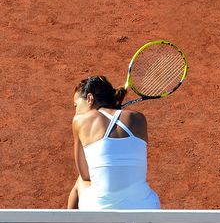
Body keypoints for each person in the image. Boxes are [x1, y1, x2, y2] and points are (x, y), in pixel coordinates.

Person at [67, 75, 160, 210]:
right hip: (147, 207)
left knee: (80, 181)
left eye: (76, 105)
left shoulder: (80, 121)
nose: (75, 111)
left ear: (89, 99)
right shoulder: (139, 119)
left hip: (98, 208)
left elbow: (85, 174)